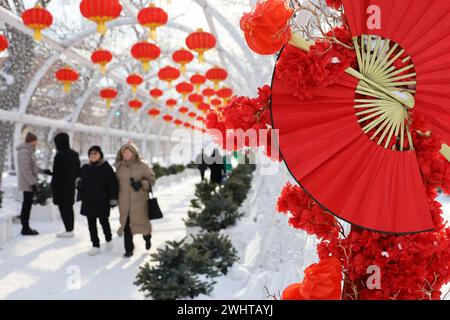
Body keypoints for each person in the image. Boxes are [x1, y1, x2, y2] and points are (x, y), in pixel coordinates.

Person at [114, 143, 155, 258]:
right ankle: (129, 249)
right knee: (126, 225)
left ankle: (147, 237)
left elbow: (151, 180)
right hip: (124, 203)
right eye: (124, 152)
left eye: (129, 152)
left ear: (134, 153)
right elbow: (115, 184)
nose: (126, 154)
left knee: (143, 225)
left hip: (140, 203)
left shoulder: (142, 166)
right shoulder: (119, 168)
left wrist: (141, 183)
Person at [77, 146, 118, 256]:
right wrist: (79, 184)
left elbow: (112, 184)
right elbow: (80, 181)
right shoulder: (85, 167)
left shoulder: (106, 168)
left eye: (95, 153)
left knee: (104, 221)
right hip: (88, 200)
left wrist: (113, 199)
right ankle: (95, 245)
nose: (93, 155)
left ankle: (108, 240)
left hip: (102, 201)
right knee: (91, 224)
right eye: (91, 154)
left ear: (100, 154)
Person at [16, 132, 52, 236]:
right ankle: (25, 228)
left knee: (27, 204)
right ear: (31, 141)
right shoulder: (24, 151)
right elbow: (25, 169)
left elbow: (33, 167)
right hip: (27, 183)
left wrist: (44, 171)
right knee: (26, 205)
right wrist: (32, 183)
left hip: (29, 182)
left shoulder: (29, 151)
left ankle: (26, 227)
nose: (37, 143)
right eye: (36, 141)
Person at [51, 133, 80, 238]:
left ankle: (68, 229)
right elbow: (78, 170)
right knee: (69, 206)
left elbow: (57, 173)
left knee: (63, 207)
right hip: (70, 185)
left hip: (61, 186)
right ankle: (70, 228)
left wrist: (53, 185)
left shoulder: (59, 155)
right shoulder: (74, 154)